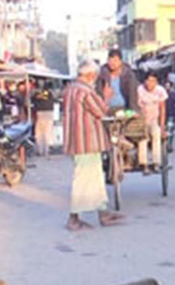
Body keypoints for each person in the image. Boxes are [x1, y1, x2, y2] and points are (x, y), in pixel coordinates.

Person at [61, 60, 122, 231]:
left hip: (76, 140)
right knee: (83, 179)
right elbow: (101, 111)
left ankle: (103, 213)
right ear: (90, 75)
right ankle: (73, 218)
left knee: (94, 178)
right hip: (87, 141)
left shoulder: (69, 90)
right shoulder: (86, 91)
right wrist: (107, 97)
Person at [136, 71, 166, 174]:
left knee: (156, 134)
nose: (150, 83)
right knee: (142, 138)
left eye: (153, 81)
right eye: (148, 81)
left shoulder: (160, 90)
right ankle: (143, 164)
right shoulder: (140, 90)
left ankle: (156, 163)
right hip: (142, 120)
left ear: (157, 82)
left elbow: (162, 109)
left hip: (154, 120)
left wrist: (162, 126)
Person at [98, 48, 138, 113]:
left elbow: (133, 94)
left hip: (124, 109)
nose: (112, 63)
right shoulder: (102, 75)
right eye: (110, 60)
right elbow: (99, 93)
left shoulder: (128, 75)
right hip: (107, 109)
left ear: (120, 61)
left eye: (115, 61)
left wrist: (133, 110)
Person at [32, 81, 55, 158]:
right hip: (49, 113)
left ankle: (40, 150)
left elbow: (32, 100)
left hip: (40, 113)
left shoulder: (36, 94)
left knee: (39, 133)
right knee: (47, 133)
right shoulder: (51, 94)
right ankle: (46, 151)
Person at [164, 79, 175, 152]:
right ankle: (166, 145)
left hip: (171, 115)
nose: (167, 88)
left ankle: (170, 144)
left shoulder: (174, 95)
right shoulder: (162, 94)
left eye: (168, 86)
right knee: (165, 131)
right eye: (166, 86)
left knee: (171, 132)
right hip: (164, 115)